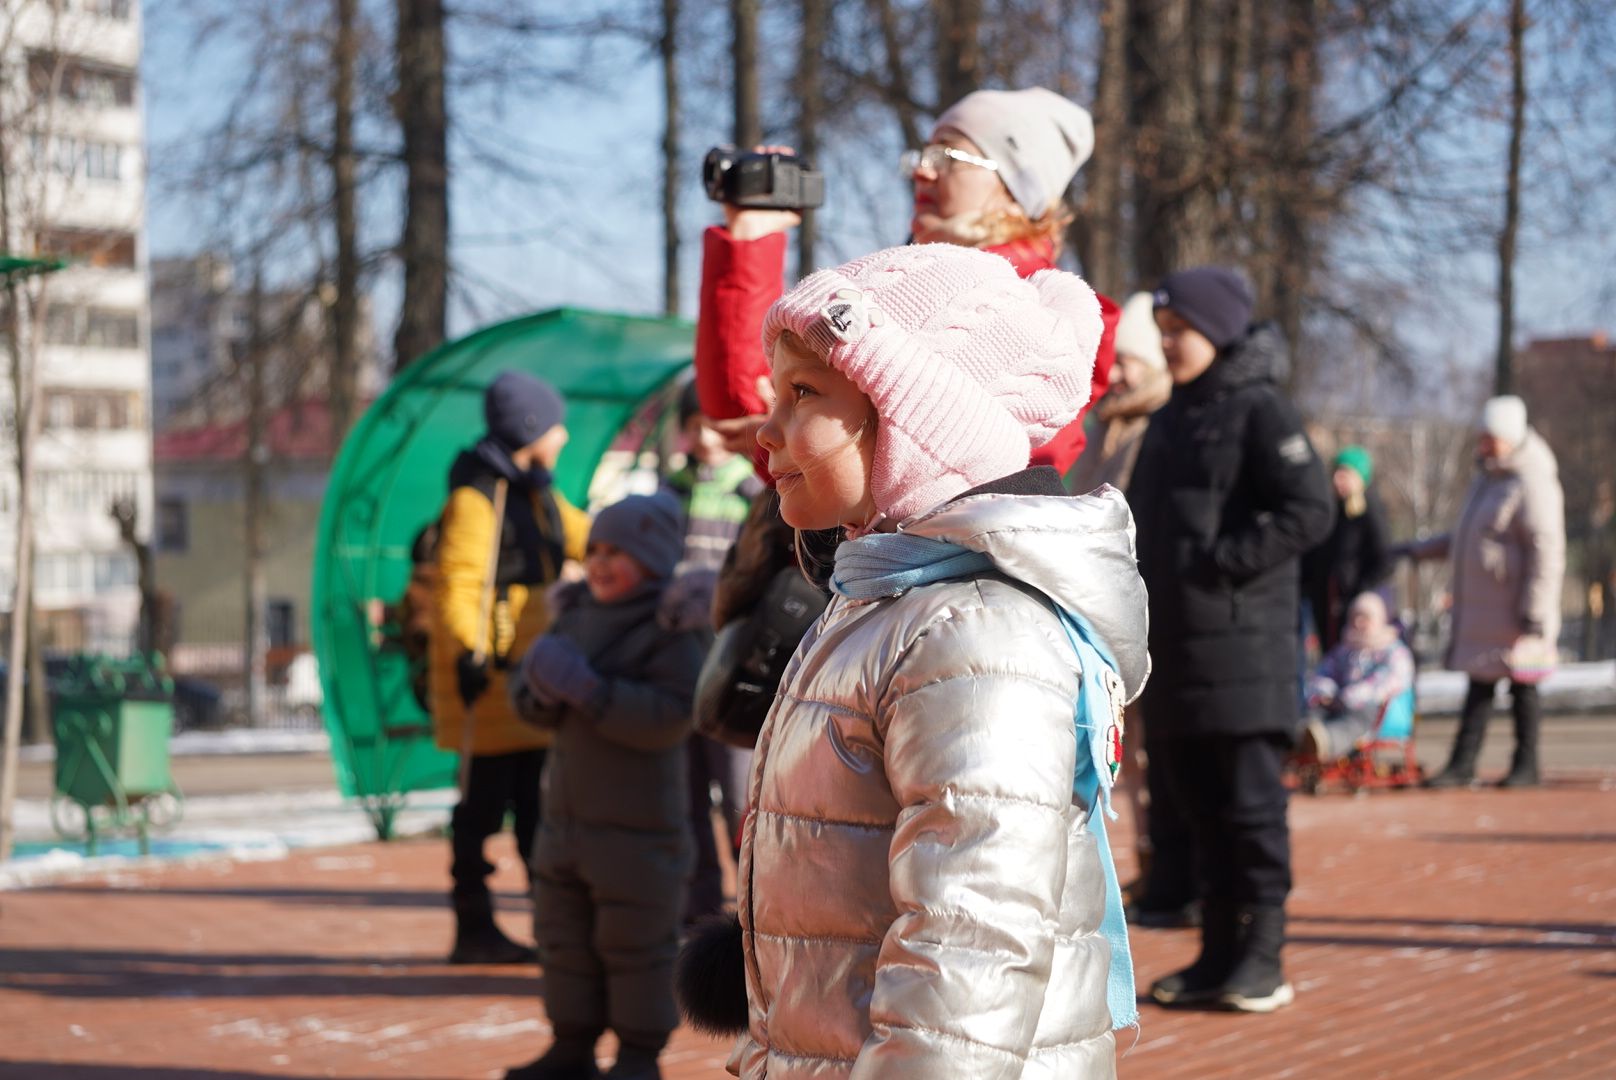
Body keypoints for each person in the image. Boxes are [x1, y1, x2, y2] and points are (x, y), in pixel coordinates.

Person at [678, 243, 1151, 1079]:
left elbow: (968, 952)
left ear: (914, 421)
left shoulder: (976, 636)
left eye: (803, 395)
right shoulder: (882, 601)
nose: (768, 429)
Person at [695, 87, 1119, 470]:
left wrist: (804, 437)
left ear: (1015, 190)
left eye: (948, 158)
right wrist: (752, 237)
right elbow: (740, 403)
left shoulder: (1046, 320)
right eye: (923, 156)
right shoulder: (897, 288)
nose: (923, 172)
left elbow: (990, 474)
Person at [1129, 266, 1334, 1013]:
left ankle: (1263, 958)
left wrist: (1221, 566)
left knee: (1250, 812)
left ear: (1216, 331)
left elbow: (1310, 509)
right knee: (1198, 814)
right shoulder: (1170, 417)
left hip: (1244, 653)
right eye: (1163, 331)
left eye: (1179, 330)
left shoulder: (1262, 410)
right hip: (1176, 653)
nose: (1168, 344)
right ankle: (1215, 955)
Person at [504, 492, 708, 1080]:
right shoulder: (574, 615)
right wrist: (537, 691)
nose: (599, 562)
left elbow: (671, 715)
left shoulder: (672, 626)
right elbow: (533, 702)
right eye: (593, 549)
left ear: (653, 557)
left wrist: (590, 692)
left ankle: (639, 1054)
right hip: (566, 822)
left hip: (640, 830)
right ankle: (571, 1044)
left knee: (636, 944)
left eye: (617, 551)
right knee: (563, 940)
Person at [429, 371, 589, 965]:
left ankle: (551, 925)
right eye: (555, 426)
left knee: (536, 813)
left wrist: (640, 534)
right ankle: (473, 927)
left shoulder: (537, 493)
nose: (563, 436)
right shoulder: (478, 499)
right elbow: (459, 584)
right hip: (491, 685)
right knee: (480, 811)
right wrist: (471, 652)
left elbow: (587, 537)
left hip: (530, 680)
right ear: (529, 429)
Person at [1066, 291, 1189, 926]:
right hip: (1096, 603)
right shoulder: (1105, 425)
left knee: (1148, 752)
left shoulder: (1157, 424)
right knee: (1121, 747)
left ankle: (1167, 867)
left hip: (1141, 608)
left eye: (1128, 361)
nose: (1115, 374)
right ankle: (1143, 866)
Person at [1404, 395, 1565, 789]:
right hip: (1486, 609)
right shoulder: (1488, 478)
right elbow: (1468, 539)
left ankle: (1526, 764)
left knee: (1523, 685)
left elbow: (1546, 549)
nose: (1484, 445)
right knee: (1480, 685)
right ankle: (1463, 763)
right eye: (1482, 437)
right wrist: (1418, 550)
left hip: (1517, 608)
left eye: (1491, 438)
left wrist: (1536, 609)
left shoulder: (1532, 480)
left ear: (1511, 436)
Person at [665, 381, 763, 922]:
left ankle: (750, 900)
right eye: (693, 425)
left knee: (738, 787)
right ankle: (698, 903)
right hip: (678, 657)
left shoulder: (749, 487)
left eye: (712, 425)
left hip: (729, 657)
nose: (703, 438)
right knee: (686, 789)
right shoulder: (670, 490)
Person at [1069, 291, 1173, 494]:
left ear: (1151, 368)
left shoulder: (1159, 427)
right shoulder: (1102, 422)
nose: (1111, 375)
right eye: (1110, 362)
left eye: (1122, 363)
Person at [1298, 592, 1415, 760]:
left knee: (1353, 722)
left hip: (1378, 712)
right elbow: (1325, 673)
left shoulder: (1394, 651)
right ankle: (1301, 734)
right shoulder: (1345, 649)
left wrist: (1349, 697)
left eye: (1365, 617)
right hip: (1340, 704)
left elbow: (1386, 682)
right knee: (1316, 712)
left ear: (1379, 619)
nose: (1358, 622)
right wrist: (1326, 692)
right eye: (1355, 616)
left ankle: (1325, 741)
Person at [1302, 445, 1392, 654]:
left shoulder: (1370, 511)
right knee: (1330, 653)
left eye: (1344, 474)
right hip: (1326, 598)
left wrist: (1360, 591)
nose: (1337, 480)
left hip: (1353, 603)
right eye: (1336, 473)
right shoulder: (1332, 510)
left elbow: (1385, 559)